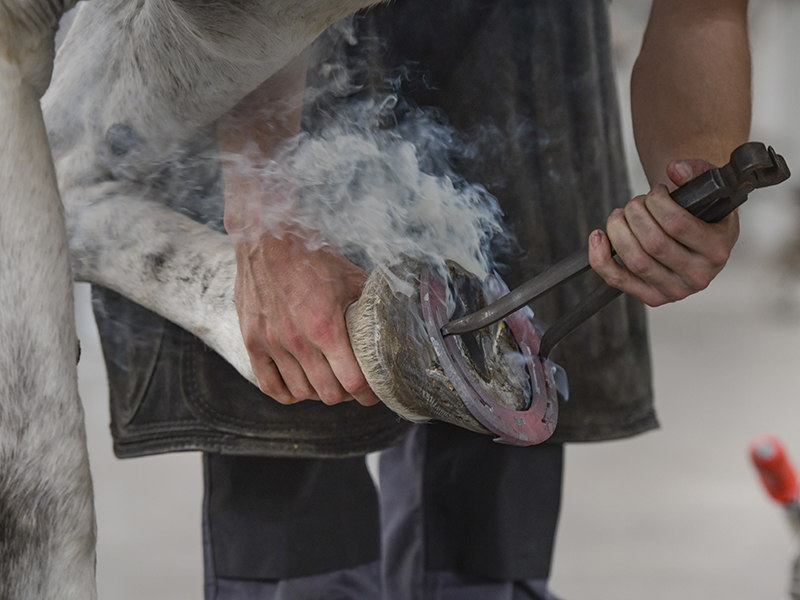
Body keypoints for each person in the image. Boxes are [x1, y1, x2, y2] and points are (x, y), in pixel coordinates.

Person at [89, 0, 749, 598]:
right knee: (304, 401)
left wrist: (695, 178)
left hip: (526, 40)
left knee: (493, 460)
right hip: (271, 37)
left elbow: (703, 11)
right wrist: (268, 214)